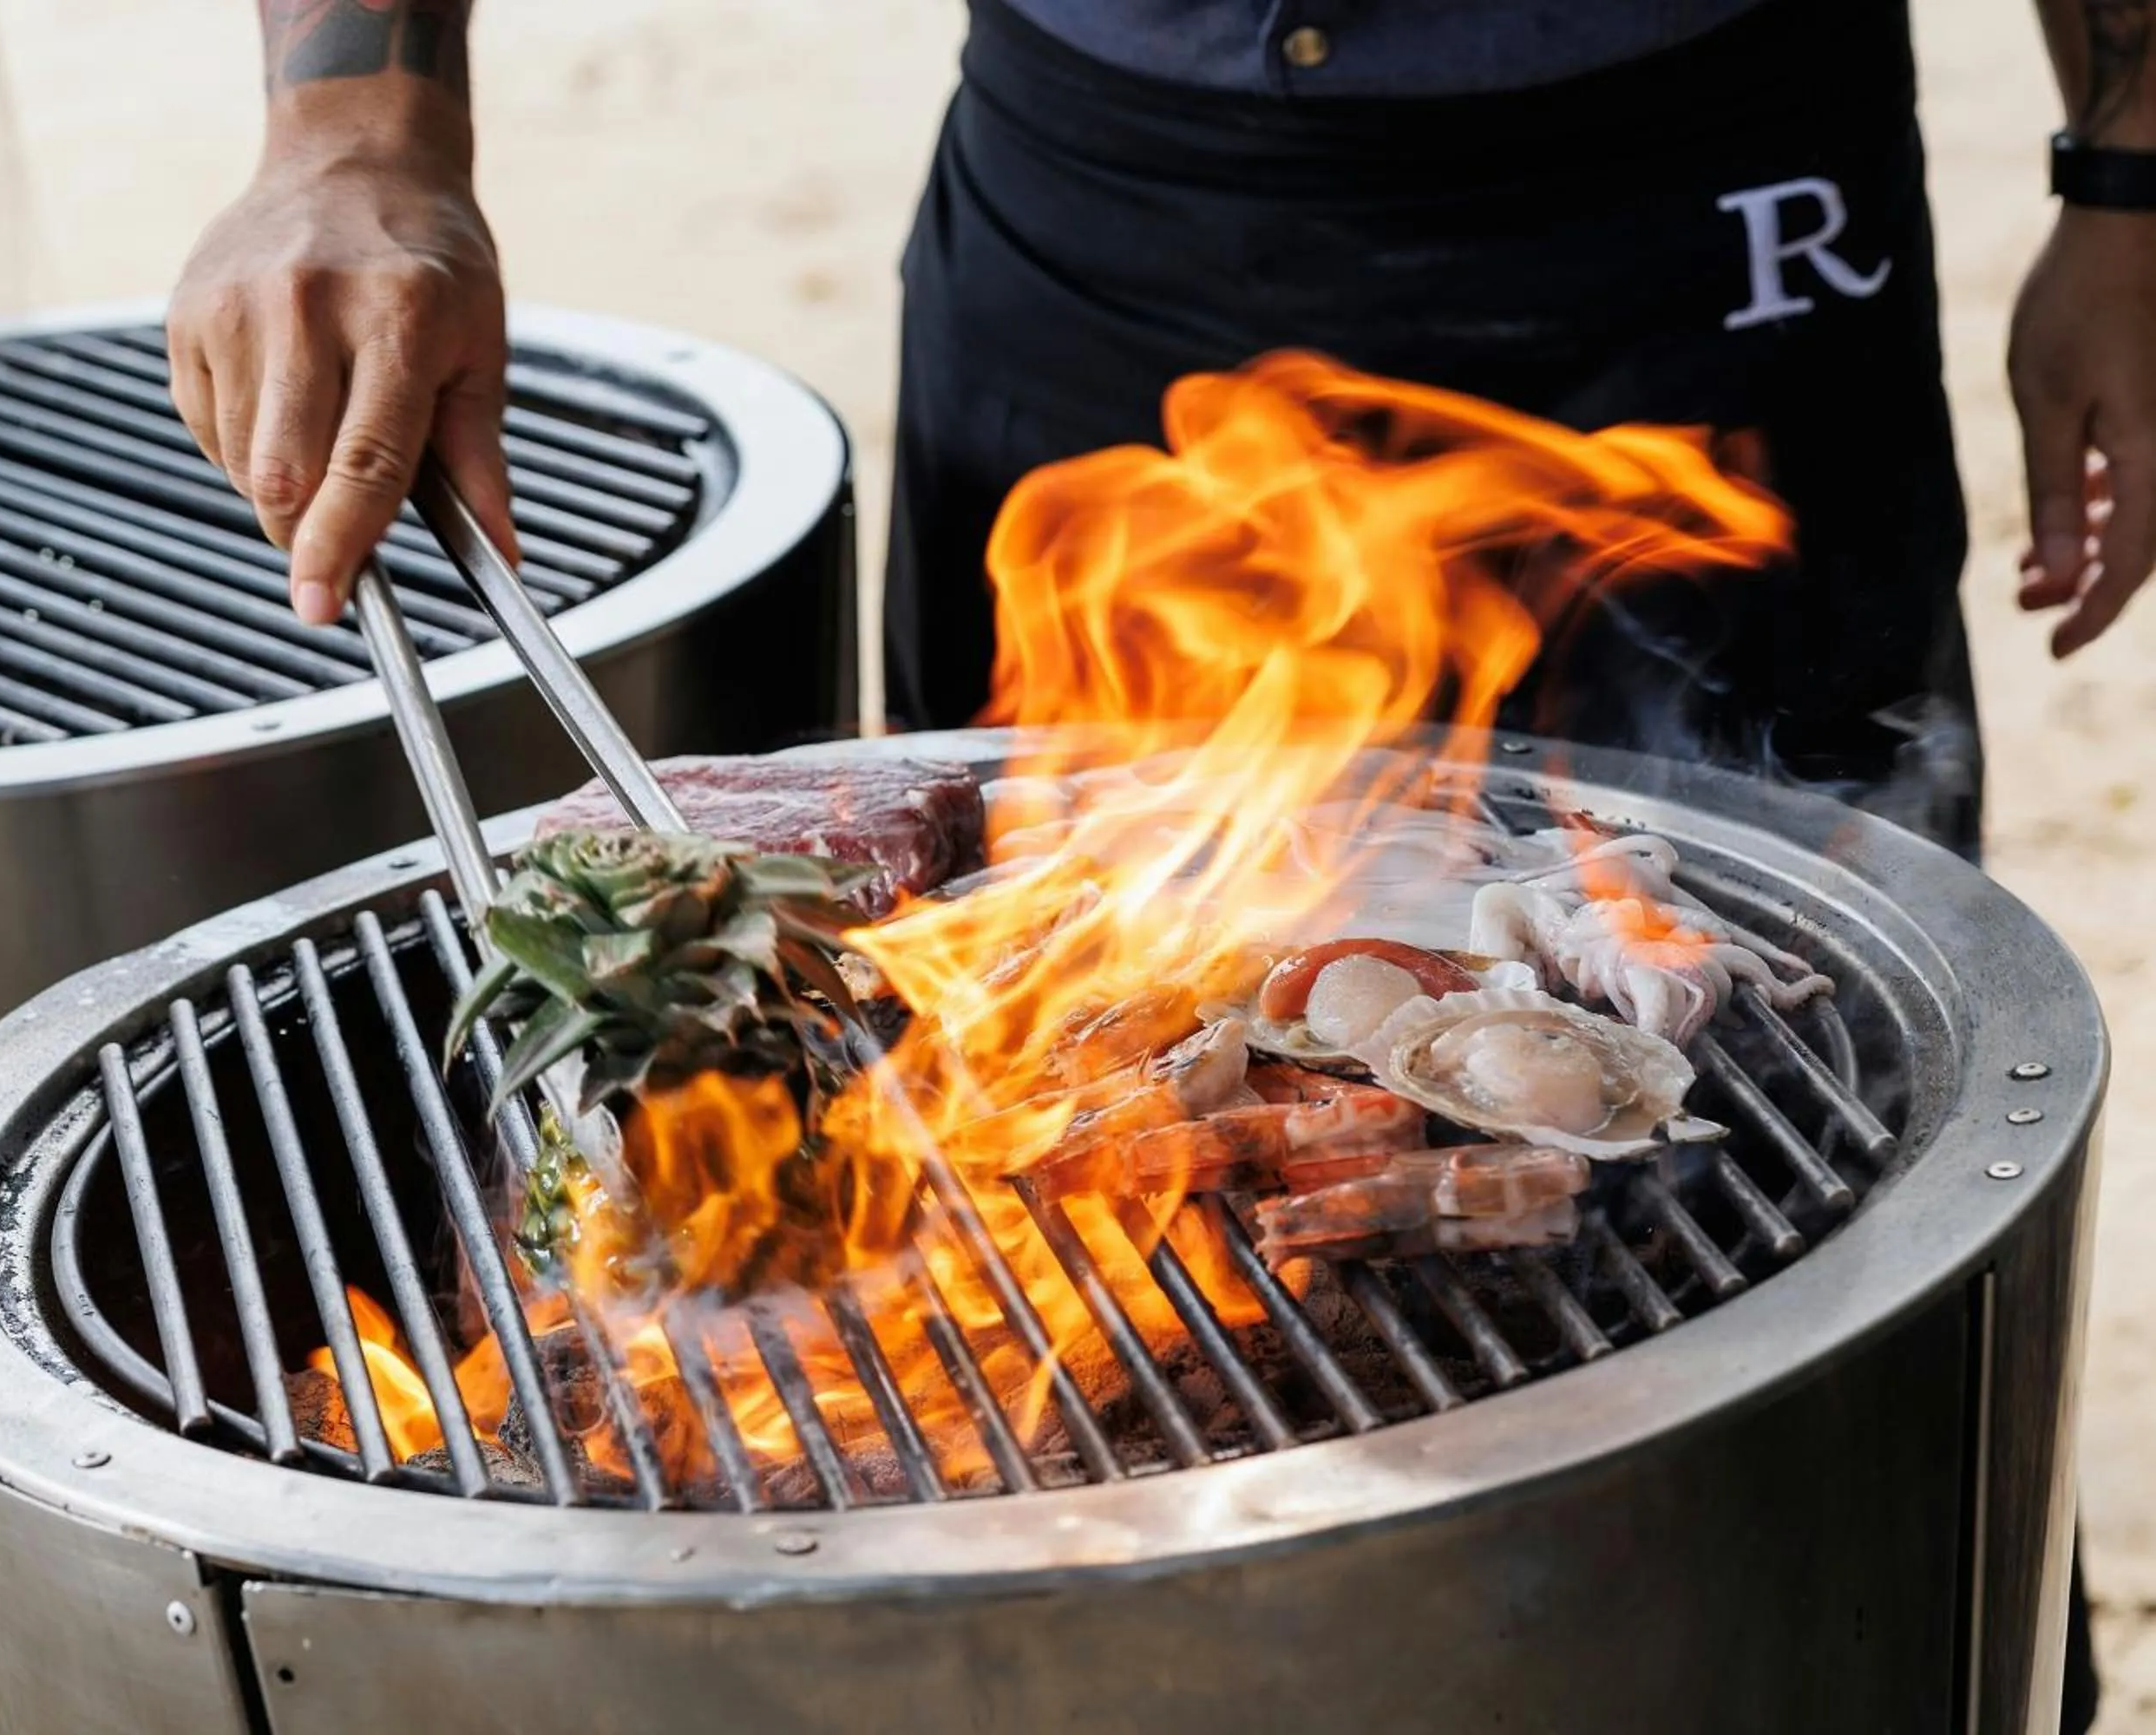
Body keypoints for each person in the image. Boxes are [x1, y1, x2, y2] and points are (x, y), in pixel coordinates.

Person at [169, 3, 2133, 1722]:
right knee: (997, 1178)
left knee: (1813, 1251)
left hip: (1700, 222)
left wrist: (2131, 162)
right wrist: (359, 123)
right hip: (1106, 207)